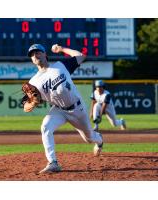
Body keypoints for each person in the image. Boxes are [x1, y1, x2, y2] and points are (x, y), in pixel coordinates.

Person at [24, 44, 103, 174]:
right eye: (32, 54)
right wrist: (31, 104)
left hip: (77, 109)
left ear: (45, 54)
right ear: (31, 60)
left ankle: (99, 140)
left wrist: (61, 49)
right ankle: (53, 162)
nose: (35, 55)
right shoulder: (33, 82)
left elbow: (81, 56)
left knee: (89, 138)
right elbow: (27, 104)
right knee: (45, 127)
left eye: (37, 52)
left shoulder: (60, 66)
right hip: (59, 110)